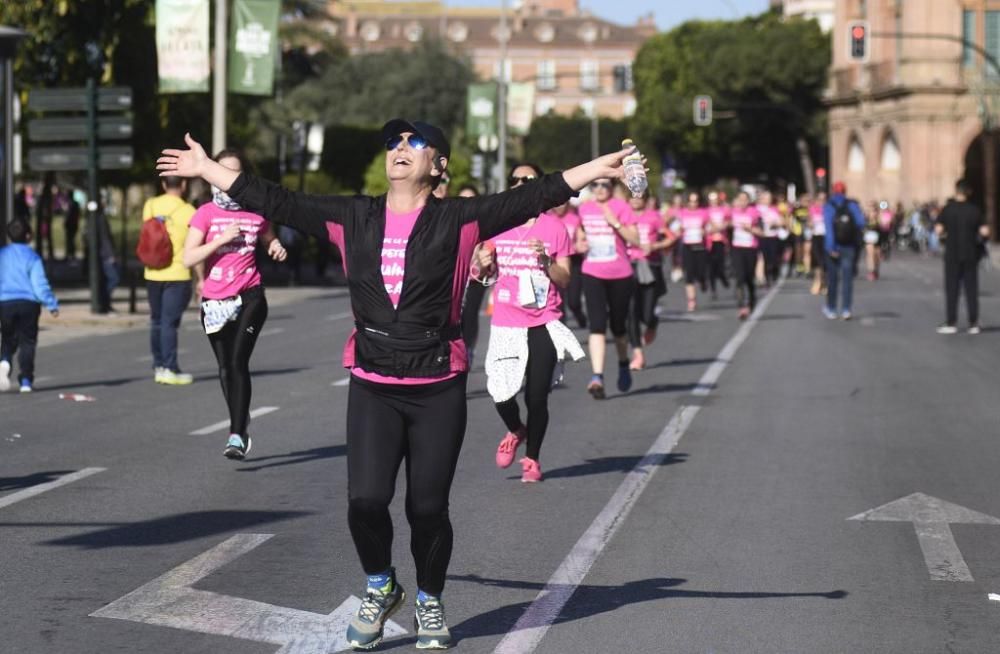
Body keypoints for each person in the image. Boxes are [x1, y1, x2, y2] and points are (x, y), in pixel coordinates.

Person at [157, 121, 635, 651]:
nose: (399, 150)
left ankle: (430, 600)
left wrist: (595, 170)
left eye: (414, 142)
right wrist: (206, 169)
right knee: (365, 501)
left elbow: (539, 194)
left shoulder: (462, 219)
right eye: (391, 143)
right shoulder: (353, 215)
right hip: (373, 382)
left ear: (439, 165)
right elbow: (281, 201)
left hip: (437, 384)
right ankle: (381, 585)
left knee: (427, 509)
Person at [476, 163, 584, 483]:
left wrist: (546, 261)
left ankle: (532, 459)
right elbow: (482, 272)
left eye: (529, 180)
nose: (521, 183)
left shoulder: (555, 228)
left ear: (541, 186)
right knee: (500, 393)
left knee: (536, 396)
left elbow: (564, 278)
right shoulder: (497, 224)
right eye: (516, 180)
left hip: (543, 320)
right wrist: (482, 265)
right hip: (507, 321)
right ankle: (515, 429)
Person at [182, 149, 287, 459]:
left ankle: (237, 434)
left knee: (238, 361)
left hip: (250, 295)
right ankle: (241, 418)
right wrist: (218, 240)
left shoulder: (256, 210)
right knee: (226, 366)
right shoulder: (205, 213)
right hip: (215, 301)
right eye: (220, 171)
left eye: (234, 173)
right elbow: (188, 257)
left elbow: (268, 235)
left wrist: (276, 246)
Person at [576, 178, 641, 399]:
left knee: (618, 327)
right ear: (591, 188)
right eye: (596, 185)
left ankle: (623, 363)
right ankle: (597, 376)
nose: (601, 189)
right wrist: (580, 244)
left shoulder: (621, 207)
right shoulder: (585, 209)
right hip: (592, 272)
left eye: (605, 185)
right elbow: (580, 236)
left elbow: (636, 239)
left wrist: (615, 223)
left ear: (612, 187)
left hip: (620, 274)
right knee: (597, 325)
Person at [142, 176, 200, 385]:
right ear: (183, 185)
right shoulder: (190, 212)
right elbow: (195, 249)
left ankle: (158, 366)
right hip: (178, 274)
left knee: (156, 321)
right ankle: (170, 367)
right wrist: (200, 279)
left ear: (164, 185)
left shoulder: (150, 205)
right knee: (169, 323)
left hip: (152, 272)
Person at [0, 220, 59, 393]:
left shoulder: (2, 255)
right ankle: (26, 380)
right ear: (28, 236)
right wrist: (51, 303)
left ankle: (4, 360)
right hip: (28, 304)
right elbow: (40, 284)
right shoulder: (32, 257)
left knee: (7, 336)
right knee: (27, 341)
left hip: (4, 303)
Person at [626, 190, 674, 369]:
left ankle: (652, 322)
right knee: (630, 312)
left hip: (650, 267)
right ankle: (637, 354)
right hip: (628, 265)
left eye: (639, 197)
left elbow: (671, 237)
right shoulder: (623, 216)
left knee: (646, 313)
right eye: (632, 196)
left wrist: (654, 246)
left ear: (646, 200)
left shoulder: (654, 217)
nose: (635, 200)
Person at [935, 179, 989, 334]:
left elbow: (938, 230)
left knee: (952, 289)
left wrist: (945, 236)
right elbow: (985, 232)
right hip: (971, 253)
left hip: (952, 254)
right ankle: (973, 323)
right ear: (969, 192)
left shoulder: (947, 209)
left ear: (956, 191)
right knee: (971, 289)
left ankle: (951, 322)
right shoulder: (975, 210)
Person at [823, 181, 866, 320]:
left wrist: (831, 247)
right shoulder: (852, 205)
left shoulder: (829, 205)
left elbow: (829, 228)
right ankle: (846, 309)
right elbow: (861, 223)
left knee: (832, 279)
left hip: (834, 247)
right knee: (847, 279)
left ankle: (831, 308)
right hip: (849, 246)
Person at [457, 183, 488, 366]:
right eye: (463, 199)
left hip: (476, 276)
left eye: (471, 199)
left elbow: (489, 247)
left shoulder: (483, 223)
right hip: (455, 277)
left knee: (470, 314)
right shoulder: (451, 220)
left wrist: (483, 260)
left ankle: (468, 349)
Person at [729, 191, 763, 320]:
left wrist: (750, 229)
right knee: (739, 277)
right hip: (737, 248)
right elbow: (725, 225)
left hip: (750, 248)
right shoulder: (732, 212)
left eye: (745, 200)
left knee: (749, 278)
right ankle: (742, 307)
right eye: (740, 199)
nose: (742, 202)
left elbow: (761, 232)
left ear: (749, 201)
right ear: (737, 201)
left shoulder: (755, 213)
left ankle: (752, 300)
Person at [677, 192, 710, 312]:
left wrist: (705, 231)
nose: (693, 203)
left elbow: (710, 226)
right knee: (689, 274)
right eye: (691, 201)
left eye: (695, 201)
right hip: (687, 246)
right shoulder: (682, 213)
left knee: (700, 272)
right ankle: (691, 300)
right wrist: (679, 230)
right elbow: (677, 227)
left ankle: (702, 280)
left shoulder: (703, 213)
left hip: (700, 246)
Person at [705, 191, 730, 298]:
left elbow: (728, 221)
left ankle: (723, 278)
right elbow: (704, 223)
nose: (713, 202)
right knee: (711, 267)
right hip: (709, 242)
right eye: (711, 200)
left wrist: (722, 226)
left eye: (715, 200)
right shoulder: (705, 211)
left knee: (720, 265)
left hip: (721, 241)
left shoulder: (724, 210)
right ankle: (713, 290)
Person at [808, 192, 827, 295]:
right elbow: (809, 223)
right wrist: (810, 223)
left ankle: (823, 283)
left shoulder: (828, 210)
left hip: (826, 238)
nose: (822, 202)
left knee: (823, 262)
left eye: (824, 199)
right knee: (817, 262)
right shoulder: (812, 209)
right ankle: (818, 281)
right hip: (816, 237)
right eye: (819, 199)